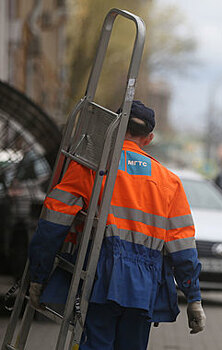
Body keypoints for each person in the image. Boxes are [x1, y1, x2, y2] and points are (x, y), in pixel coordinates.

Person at [28, 100, 206, 350]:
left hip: (99, 274)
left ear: (114, 127)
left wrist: (38, 274)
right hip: (145, 284)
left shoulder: (92, 166)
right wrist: (194, 298)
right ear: (149, 138)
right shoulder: (169, 182)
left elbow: (54, 221)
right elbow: (183, 248)